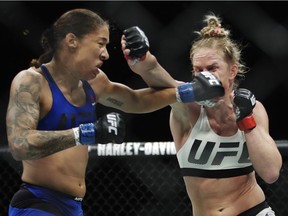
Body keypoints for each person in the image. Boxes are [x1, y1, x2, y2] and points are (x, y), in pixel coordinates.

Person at [6, 8, 184, 216]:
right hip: (37, 203)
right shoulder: (31, 81)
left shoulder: (93, 83)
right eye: (100, 43)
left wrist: (185, 89)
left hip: (74, 206)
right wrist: (86, 133)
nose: (106, 54)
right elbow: (19, 144)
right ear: (72, 41)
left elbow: (138, 101)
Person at [122, 13, 282, 215]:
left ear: (232, 71)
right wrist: (141, 56)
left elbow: (271, 173)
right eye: (199, 70)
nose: (205, 75)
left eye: (212, 68)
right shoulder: (187, 105)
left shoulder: (253, 107)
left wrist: (246, 118)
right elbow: (155, 73)